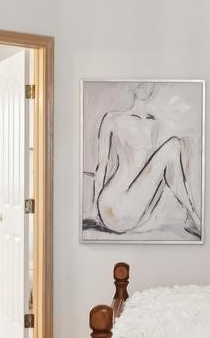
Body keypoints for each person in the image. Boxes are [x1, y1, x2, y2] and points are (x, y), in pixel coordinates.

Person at [85, 83, 202, 239]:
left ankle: (190, 215)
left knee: (172, 152)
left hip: (136, 206)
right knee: (174, 145)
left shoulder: (155, 124)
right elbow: (102, 165)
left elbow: (154, 173)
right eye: (141, 84)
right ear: (132, 87)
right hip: (113, 204)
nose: (146, 87)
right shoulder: (112, 118)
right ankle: (192, 216)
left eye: (149, 84)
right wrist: (95, 211)